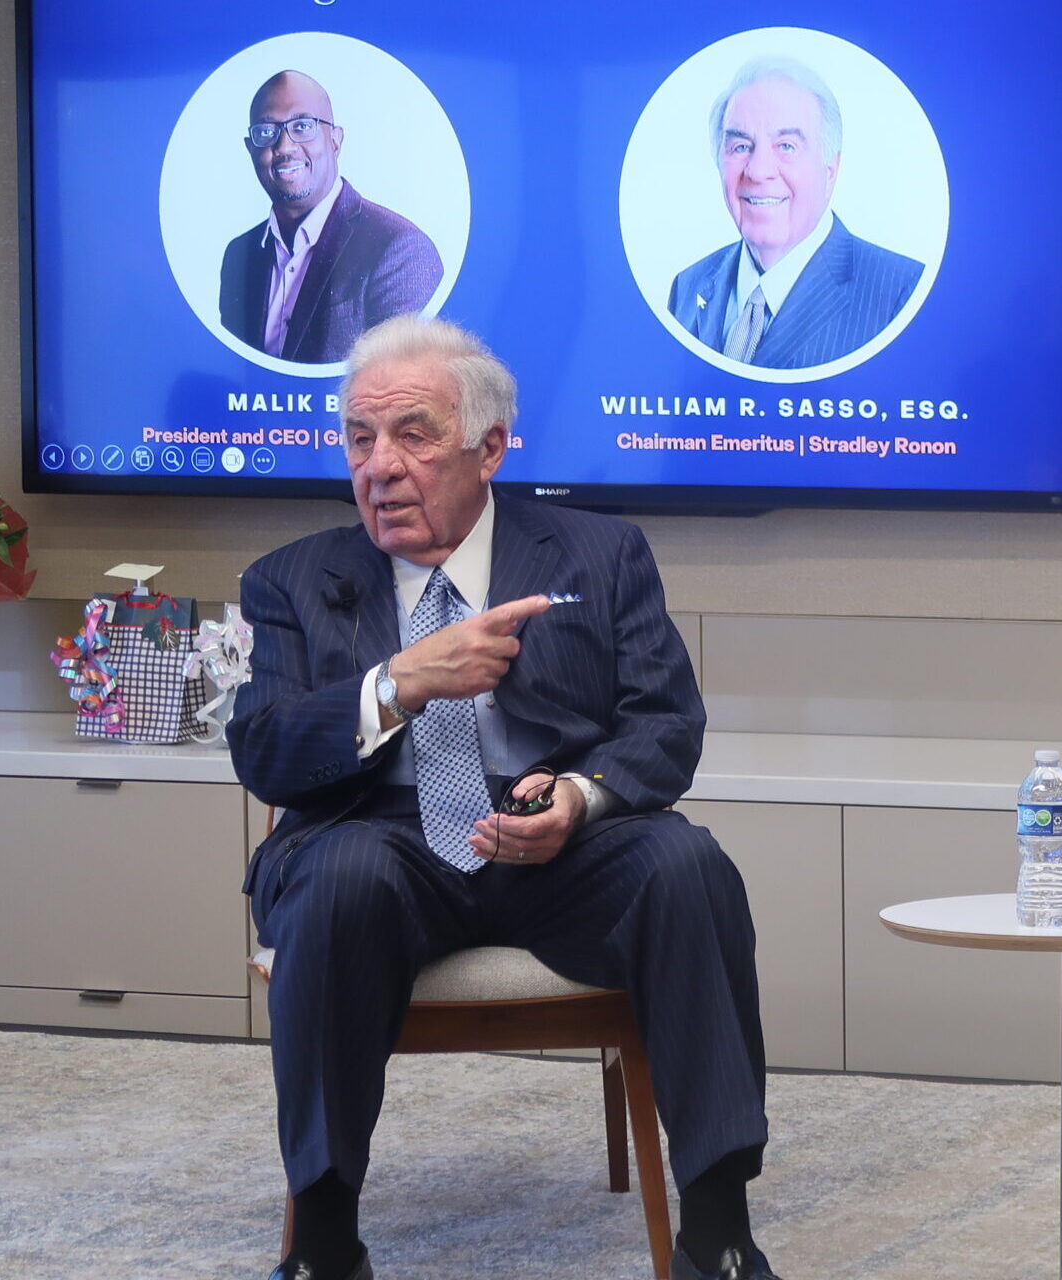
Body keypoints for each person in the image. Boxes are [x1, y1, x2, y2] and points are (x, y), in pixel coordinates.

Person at [230, 316, 782, 1280]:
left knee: (686, 864)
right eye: (360, 439)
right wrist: (398, 682)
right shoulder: (291, 581)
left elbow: (666, 726)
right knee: (338, 874)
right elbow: (266, 752)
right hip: (381, 841)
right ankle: (323, 1241)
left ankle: (719, 1228)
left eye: (413, 434)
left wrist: (579, 795)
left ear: (488, 447)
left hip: (557, 845)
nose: (380, 467)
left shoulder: (599, 556)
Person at [667, 57, 925, 370]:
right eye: (740, 147)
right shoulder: (687, 286)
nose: (759, 171)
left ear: (831, 169)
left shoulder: (902, 293)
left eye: (786, 146)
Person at [217, 71, 443, 365]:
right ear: (250, 149)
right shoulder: (240, 255)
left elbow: (402, 390)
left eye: (302, 126)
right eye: (266, 131)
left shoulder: (400, 249)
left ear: (335, 140)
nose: (284, 146)